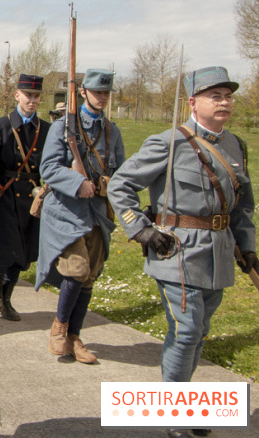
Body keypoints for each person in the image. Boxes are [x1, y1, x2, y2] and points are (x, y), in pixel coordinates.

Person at [108, 67, 256, 386]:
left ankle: (185, 405)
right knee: (186, 330)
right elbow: (120, 184)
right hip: (177, 250)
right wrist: (141, 229)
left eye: (228, 96)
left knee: (199, 331)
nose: (224, 102)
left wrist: (248, 248)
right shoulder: (170, 143)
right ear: (193, 103)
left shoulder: (236, 146)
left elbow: (242, 206)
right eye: (214, 96)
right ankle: (175, 412)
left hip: (219, 252)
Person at [35, 68, 125, 364]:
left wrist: (110, 186)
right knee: (76, 269)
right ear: (83, 92)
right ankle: (59, 327)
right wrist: (78, 183)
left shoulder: (113, 132)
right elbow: (48, 168)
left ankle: (75, 336)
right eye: (97, 92)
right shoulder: (64, 128)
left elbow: (120, 173)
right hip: (66, 212)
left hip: (98, 213)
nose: (102, 97)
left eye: (106, 93)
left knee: (89, 277)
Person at [0, 74, 50, 320]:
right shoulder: (0, 126)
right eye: (28, 95)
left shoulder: (46, 129)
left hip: (33, 199)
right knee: (5, 247)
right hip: (6, 195)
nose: (32, 101)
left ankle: (7, 298)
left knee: (24, 250)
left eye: (36, 96)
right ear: (17, 95)